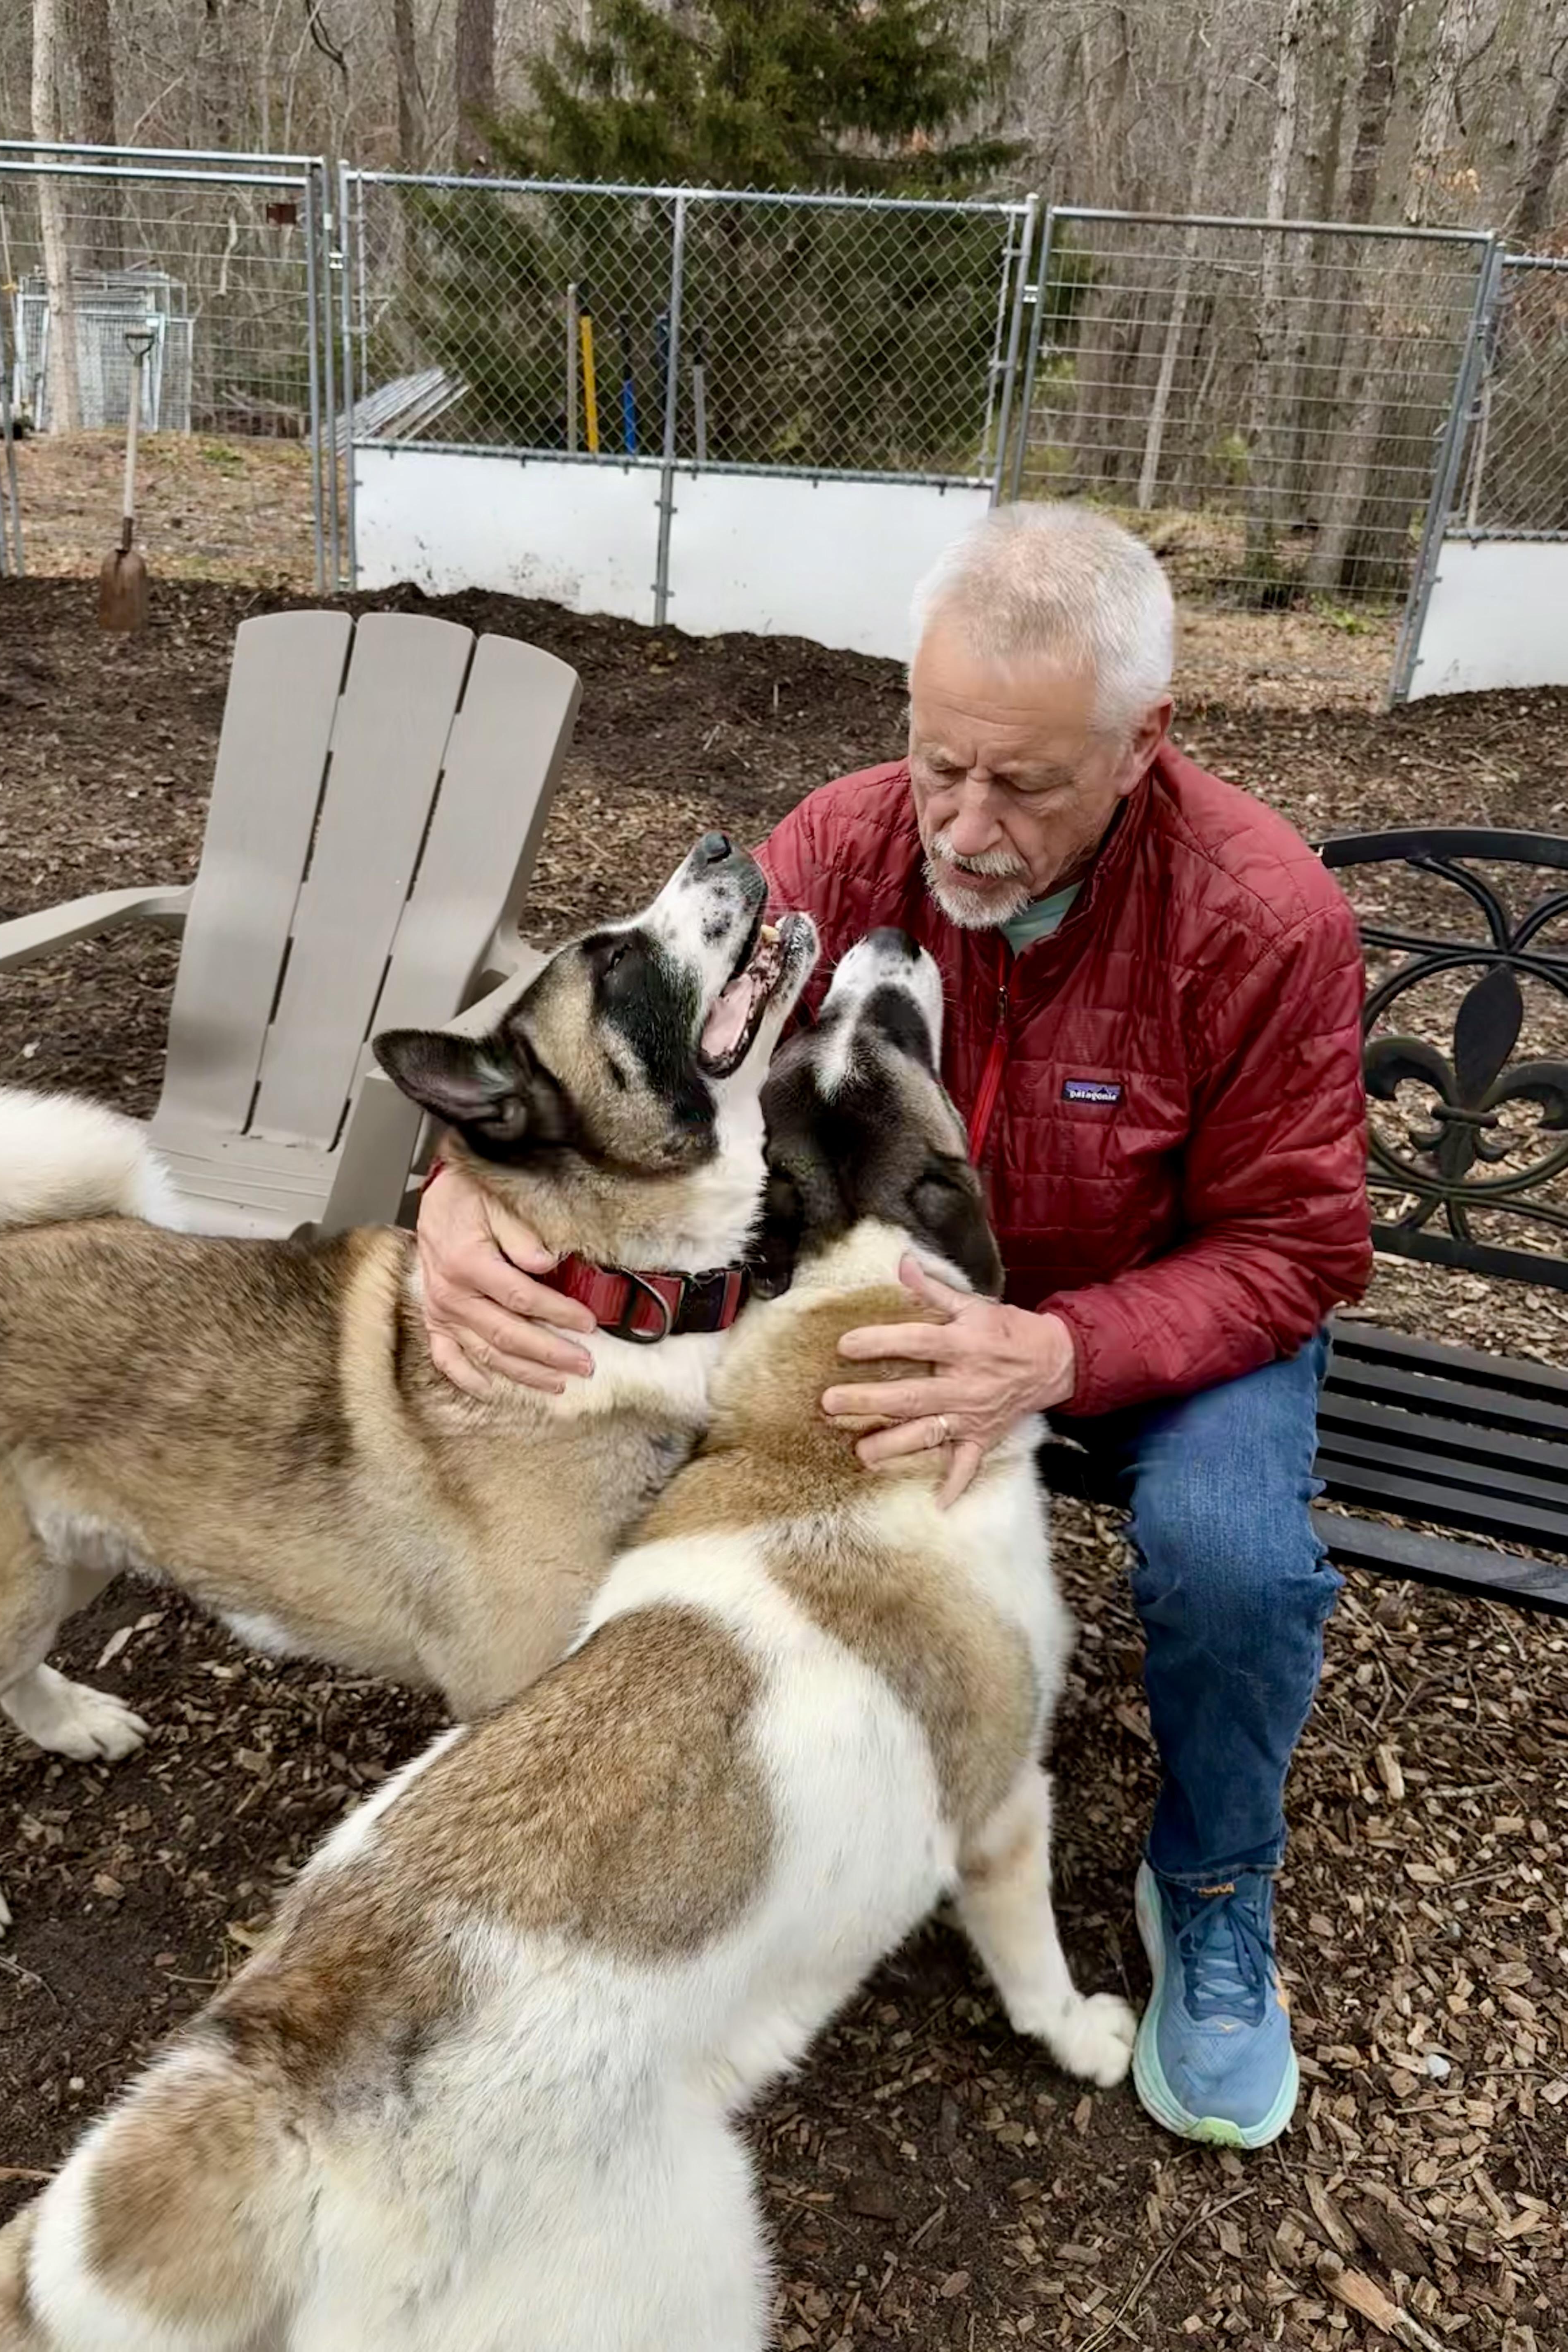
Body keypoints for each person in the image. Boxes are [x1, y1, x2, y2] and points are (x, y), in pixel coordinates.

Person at [415, 502, 1372, 2151]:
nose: (967, 826)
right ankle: (717, 1822)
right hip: (878, 1303)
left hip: (1143, 1320)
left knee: (1234, 1564)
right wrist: (457, 1188)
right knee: (595, 1415)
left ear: (1148, 745)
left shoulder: (1262, 918)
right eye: (941, 763)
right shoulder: (852, 842)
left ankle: (1211, 1882)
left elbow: (1296, 1243)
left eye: (1026, 784)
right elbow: (628, 1064)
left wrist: (1063, 1352)